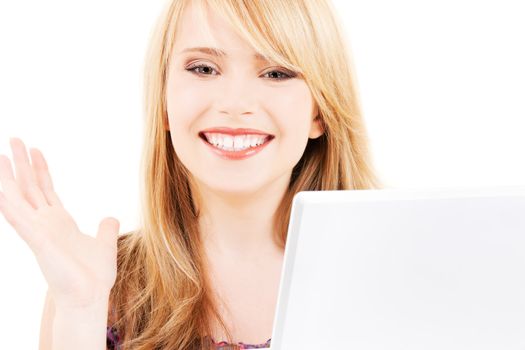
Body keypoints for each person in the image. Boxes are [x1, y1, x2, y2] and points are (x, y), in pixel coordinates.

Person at [0, 0, 383, 349]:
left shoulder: (388, 270)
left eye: (276, 72)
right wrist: (81, 311)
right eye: (203, 68)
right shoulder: (100, 284)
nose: (235, 104)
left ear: (320, 110)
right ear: (164, 102)